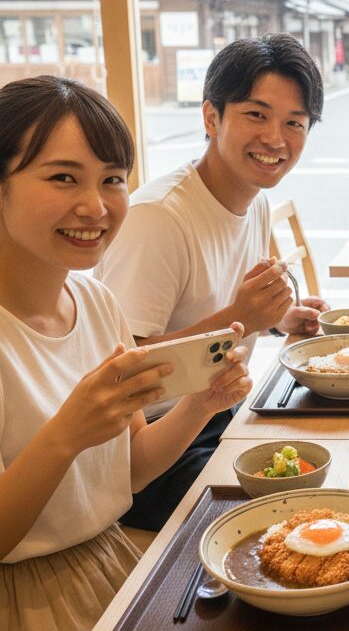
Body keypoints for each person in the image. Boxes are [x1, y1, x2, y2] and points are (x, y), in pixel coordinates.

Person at [0, 76, 251, 631]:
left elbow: (131, 469)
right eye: (63, 178)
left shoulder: (93, 301)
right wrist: (66, 434)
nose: (96, 205)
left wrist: (200, 404)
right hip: (21, 628)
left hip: (113, 568)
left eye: (112, 180)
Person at [96, 34, 328, 531]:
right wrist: (241, 318)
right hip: (154, 446)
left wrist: (280, 316)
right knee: (287, 517)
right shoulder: (158, 218)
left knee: (333, 449)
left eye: (295, 122)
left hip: (220, 410)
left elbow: (219, 304)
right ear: (211, 117)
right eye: (256, 114)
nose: (276, 139)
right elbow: (122, 369)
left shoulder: (254, 199)